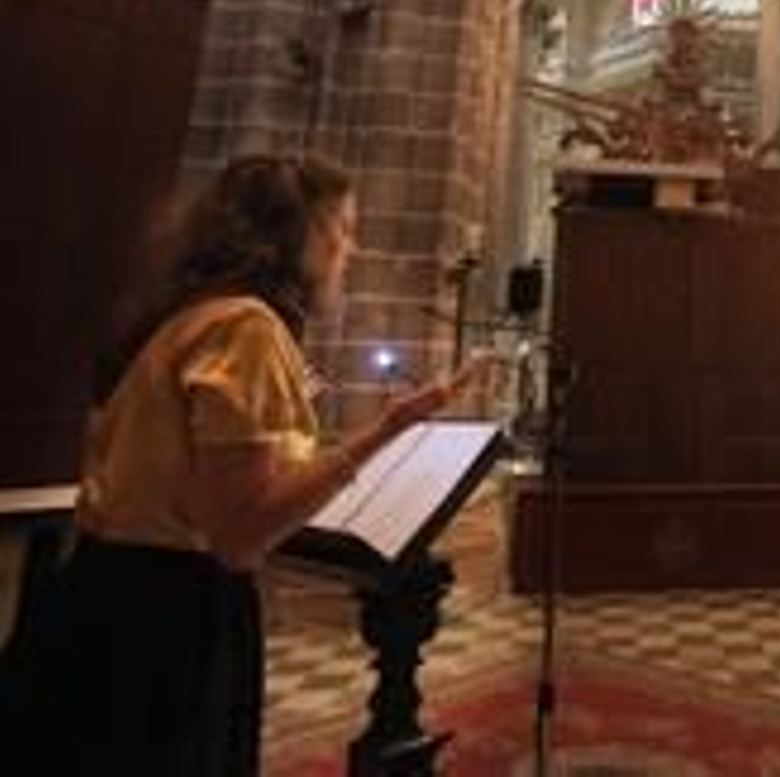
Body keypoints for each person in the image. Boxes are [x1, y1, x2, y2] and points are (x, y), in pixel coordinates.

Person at [0, 154, 482, 775]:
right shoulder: (246, 328)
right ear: (295, 232)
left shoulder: (194, 314)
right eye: (342, 227)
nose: (352, 247)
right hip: (167, 618)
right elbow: (240, 533)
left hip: (113, 591)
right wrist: (388, 430)